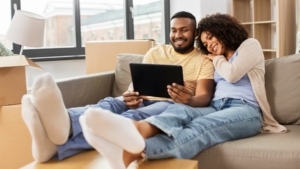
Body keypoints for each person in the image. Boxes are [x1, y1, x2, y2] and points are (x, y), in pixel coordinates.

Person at [78, 13, 287, 169]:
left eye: (212, 38)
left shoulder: (250, 45)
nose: (210, 45)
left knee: (201, 127)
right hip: (216, 106)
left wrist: (217, 58)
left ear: (224, 31)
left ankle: (132, 151)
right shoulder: (211, 59)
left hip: (246, 111)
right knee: (180, 111)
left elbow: (232, 74)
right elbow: (201, 86)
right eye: (205, 43)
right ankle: (135, 133)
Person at [21, 11, 215, 163]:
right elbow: (136, 84)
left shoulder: (203, 61)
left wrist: (189, 99)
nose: (177, 35)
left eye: (184, 30)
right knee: (107, 105)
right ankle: (66, 122)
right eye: (174, 30)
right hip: (140, 99)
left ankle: (56, 147)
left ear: (195, 32)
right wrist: (129, 96)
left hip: (168, 105)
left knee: (128, 118)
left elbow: (204, 96)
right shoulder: (156, 52)